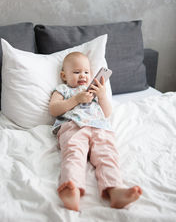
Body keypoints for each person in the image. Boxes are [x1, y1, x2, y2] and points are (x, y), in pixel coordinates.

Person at [49, 51, 142, 211]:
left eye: (86, 72)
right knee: (74, 154)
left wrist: (102, 95)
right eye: (76, 72)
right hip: (73, 126)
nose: (83, 76)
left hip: (100, 127)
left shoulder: (95, 90)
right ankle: (73, 189)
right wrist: (75, 100)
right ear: (64, 76)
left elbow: (106, 113)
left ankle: (115, 190)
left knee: (107, 156)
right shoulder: (63, 90)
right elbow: (54, 109)